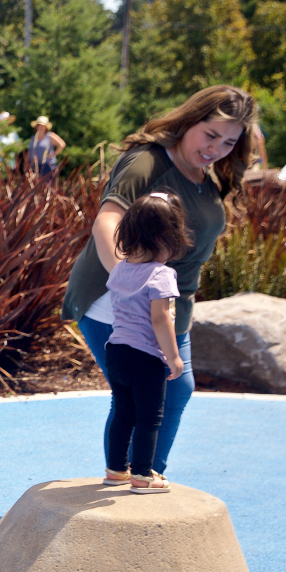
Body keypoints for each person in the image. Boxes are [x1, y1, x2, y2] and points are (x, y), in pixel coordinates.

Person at [62, 85, 257, 478]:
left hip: (168, 301)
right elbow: (108, 220)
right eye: (211, 134)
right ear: (189, 121)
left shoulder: (205, 174)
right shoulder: (148, 163)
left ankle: (144, 475)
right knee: (139, 394)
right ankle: (135, 480)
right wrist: (126, 280)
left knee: (173, 390)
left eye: (229, 141)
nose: (216, 148)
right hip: (119, 301)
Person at [101, 192, 191, 494]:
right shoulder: (162, 275)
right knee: (150, 417)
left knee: (123, 411)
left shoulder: (120, 270)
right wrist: (174, 358)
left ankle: (116, 469)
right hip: (145, 357)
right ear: (166, 238)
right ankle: (141, 475)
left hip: (116, 352)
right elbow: (160, 319)